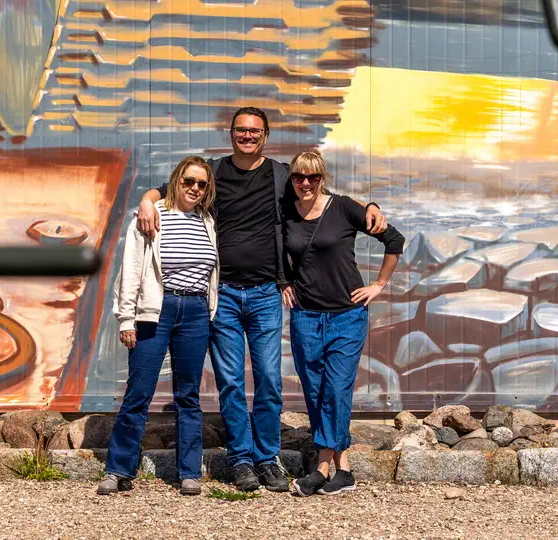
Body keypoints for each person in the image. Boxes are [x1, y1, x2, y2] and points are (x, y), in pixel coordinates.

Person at [136, 107, 388, 492]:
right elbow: (168, 188)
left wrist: (368, 207)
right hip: (223, 294)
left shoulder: (280, 175)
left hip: (267, 294)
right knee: (231, 382)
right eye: (241, 130)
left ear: (265, 136)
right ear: (231, 133)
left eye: (255, 131)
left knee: (269, 380)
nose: (247, 136)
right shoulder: (214, 172)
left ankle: (267, 458)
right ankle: (241, 459)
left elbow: (322, 195)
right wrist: (147, 200)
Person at [280, 149, 404, 496]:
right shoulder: (286, 212)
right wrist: (284, 282)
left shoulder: (344, 207)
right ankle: (344, 470)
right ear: (292, 180)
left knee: (335, 389)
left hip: (346, 317)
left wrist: (378, 285)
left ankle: (321, 468)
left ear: (323, 179)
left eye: (313, 177)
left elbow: (394, 240)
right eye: (299, 177)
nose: (306, 183)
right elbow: (277, 252)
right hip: (305, 317)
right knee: (316, 392)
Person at [100, 156, 220, 497]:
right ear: (176, 181)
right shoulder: (152, 215)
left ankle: (189, 473)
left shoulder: (207, 221)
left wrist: (209, 311)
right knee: (139, 392)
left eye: (202, 184)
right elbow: (131, 269)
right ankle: (118, 469)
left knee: (188, 396)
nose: (195, 189)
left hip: (195, 311)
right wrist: (126, 319)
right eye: (188, 182)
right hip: (156, 310)